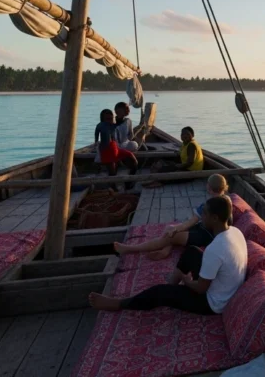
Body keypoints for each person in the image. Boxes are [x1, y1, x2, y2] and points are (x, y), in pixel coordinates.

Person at [89, 196, 247, 315]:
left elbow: (200, 289)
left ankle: (118, 304)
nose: (201, 217)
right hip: (224, 286)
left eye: (204, 213)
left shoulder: (216, 248)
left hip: (213, 303)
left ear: (215, 218)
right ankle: (173, 288)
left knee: (160, 292)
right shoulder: (235, 232)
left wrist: (186, 281)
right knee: (191, 251)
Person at [113, 174, 232, 260]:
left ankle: (129, 249)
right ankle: (166, 250)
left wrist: (176, 229)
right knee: (170, 229)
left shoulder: (208, 206)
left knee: (171, 234)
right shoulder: (227, 201)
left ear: (209, 188)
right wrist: (174, 228)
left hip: (206, 235)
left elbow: (190, 223)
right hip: (205, 229)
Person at [95, 109, 138, 184]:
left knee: (133, 160)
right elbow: (96, 136)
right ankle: (113, 189)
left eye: (111, 118)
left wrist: (122, 116)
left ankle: (129, 181)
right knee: (112, 173)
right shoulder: (100, 126)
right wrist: (96, 144)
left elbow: (120, 122)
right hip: (106, 150)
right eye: (107, 119)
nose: (109, 120)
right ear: (102, 119)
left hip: (115, 148)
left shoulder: (113, 125)